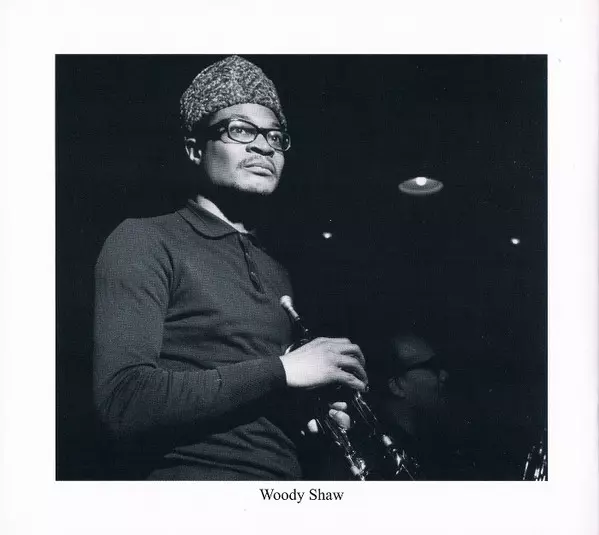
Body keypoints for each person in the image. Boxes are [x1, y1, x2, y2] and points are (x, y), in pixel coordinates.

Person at [92, 55, 367, 480]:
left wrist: (306, 417)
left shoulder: (278, 268)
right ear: (194, 148)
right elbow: (123, 401)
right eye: (240, 129)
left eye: (275, 136)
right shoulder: (144, 239)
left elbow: (252, 395)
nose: (264, 146)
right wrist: (285, 370)